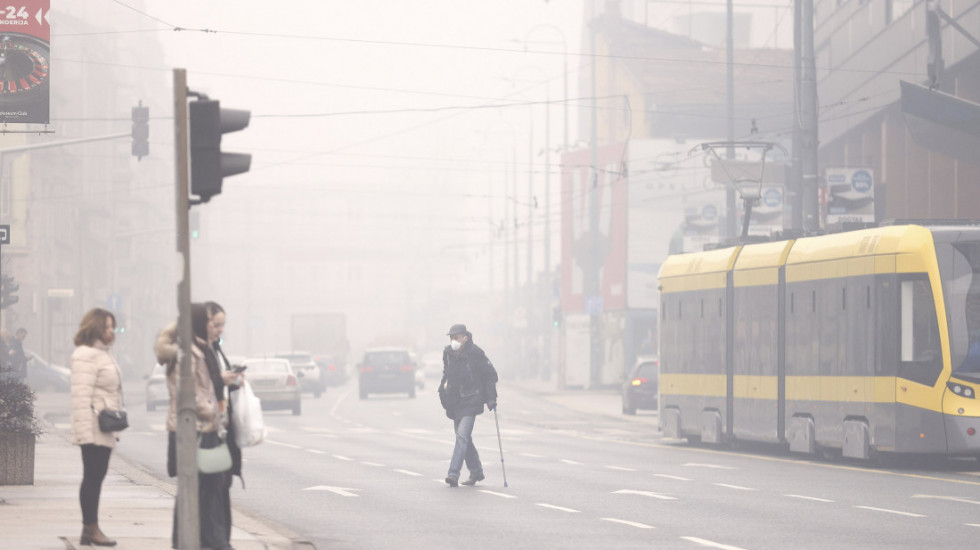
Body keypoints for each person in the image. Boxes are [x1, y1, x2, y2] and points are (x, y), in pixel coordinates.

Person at [156, 303, 238, 550]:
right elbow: (187, 393)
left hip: (205, 427)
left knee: (209, 486)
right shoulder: (188, 352)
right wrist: (213, 408)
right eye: (208, 321)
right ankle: (189, 540)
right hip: (193, 429)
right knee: (194, 488)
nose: (213, 327)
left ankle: (207, 539)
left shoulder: (199, 349)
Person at [69, 308, 122, 547]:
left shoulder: (103, 353)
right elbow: (80, 397)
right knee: (92, 478)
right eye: (108, 326)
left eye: (113, 326)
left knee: (96, 477)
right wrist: (83, 434)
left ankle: (89, 529)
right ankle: (92, 528)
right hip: (93, 427)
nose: (112, 331)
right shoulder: (86, 355)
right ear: (96, 327)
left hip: (104, 426)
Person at [438, 323, 498, 487]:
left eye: (456, 337)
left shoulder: (475, 353)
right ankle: (476, 472)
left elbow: (490, 374)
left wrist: (491, 397)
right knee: (464, 439)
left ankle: (453, 473)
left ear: (465, 338)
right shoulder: (448, 353)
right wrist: (443, 392)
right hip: (455, 402)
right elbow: (446, 375)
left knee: (462, 436)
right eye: (451, 338)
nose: (453, 341)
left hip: (472, 400)